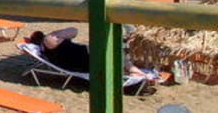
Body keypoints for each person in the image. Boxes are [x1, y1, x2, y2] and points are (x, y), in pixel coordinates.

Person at [28, 28, 159, 91]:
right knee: (115, 47)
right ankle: (134, 71)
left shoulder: (47, 51)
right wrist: (55, 33)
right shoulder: (48, 40)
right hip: (86, 59)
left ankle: (133, 72)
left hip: (81, 64)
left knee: (115, 51)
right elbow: (74, 30)